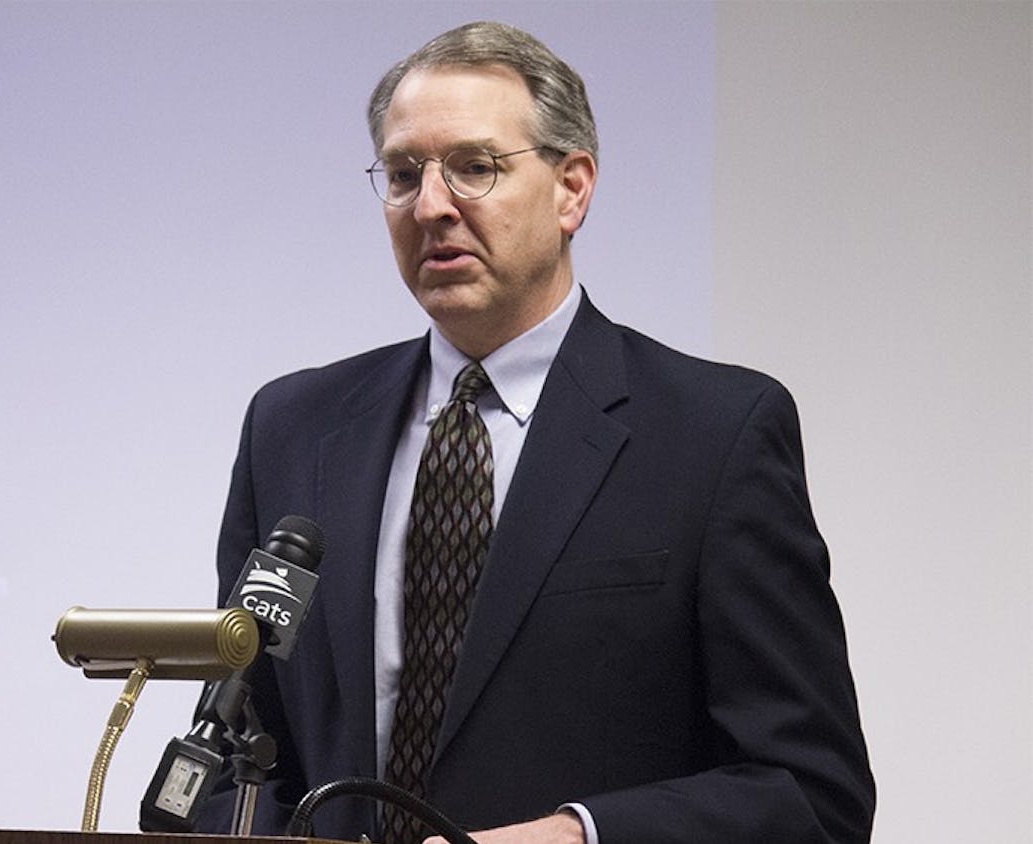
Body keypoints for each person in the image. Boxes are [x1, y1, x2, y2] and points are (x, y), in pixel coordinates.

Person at [208, 21, 874, 844]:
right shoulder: (294, 428)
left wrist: (577, 835)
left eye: (475, 168)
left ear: (573, 190)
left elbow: (810, 792)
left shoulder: (714, 433)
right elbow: (234, 758)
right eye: (405, 174)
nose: (433, 205)